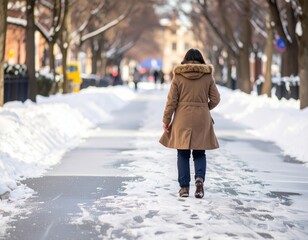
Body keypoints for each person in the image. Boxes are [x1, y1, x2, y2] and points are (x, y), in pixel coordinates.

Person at [159, 48, 220, 198]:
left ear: (185, 60)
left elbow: (171, 102)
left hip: (182, 118)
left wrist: (166, 120)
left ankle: (184, 188)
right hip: (202, 118)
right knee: (200, 152)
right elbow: (216, 98)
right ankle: (199, 180)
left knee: (182, 153)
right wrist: (204, 107)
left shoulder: (178, 76)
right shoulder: (207, 76)